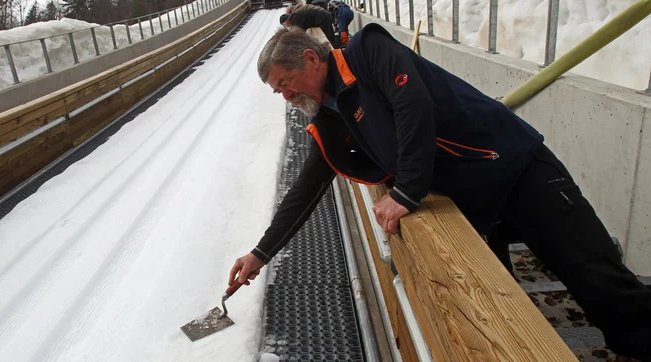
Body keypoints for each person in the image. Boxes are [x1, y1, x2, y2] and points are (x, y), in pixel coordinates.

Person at [229, 24, 651, 359]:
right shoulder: (332, 115)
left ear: (310, 59)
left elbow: (413, 102)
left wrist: (407, 192)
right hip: (478, 204)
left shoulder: (367, 51)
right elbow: (307, 188)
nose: (285, 95)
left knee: (599, 281)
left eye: (286, 82)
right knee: (500, 310)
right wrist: (260, 254)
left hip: (517, 170)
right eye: (277, 91)